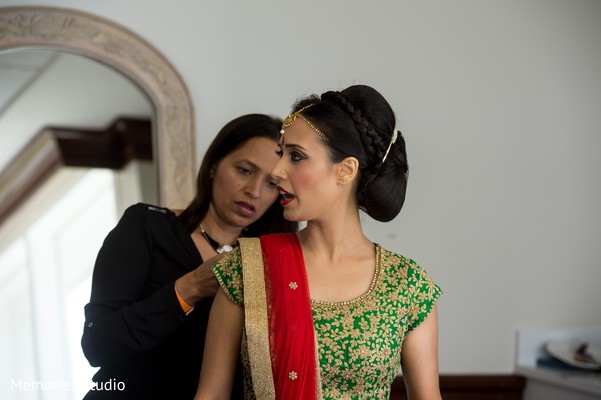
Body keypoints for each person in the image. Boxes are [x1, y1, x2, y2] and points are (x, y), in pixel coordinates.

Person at [194, 85, 443, 399]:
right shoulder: (248, 269)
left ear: (345, 170)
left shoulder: (407, 286)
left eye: (296, 156)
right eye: (281, 154)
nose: (277, 170)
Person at [81, 114, 298, 399]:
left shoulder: (270, 263)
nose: (254, 191)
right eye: (244, 170)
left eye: (271, 184)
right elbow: (98, 345)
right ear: (213, 165)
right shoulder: (146, 226)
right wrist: (191, 287)